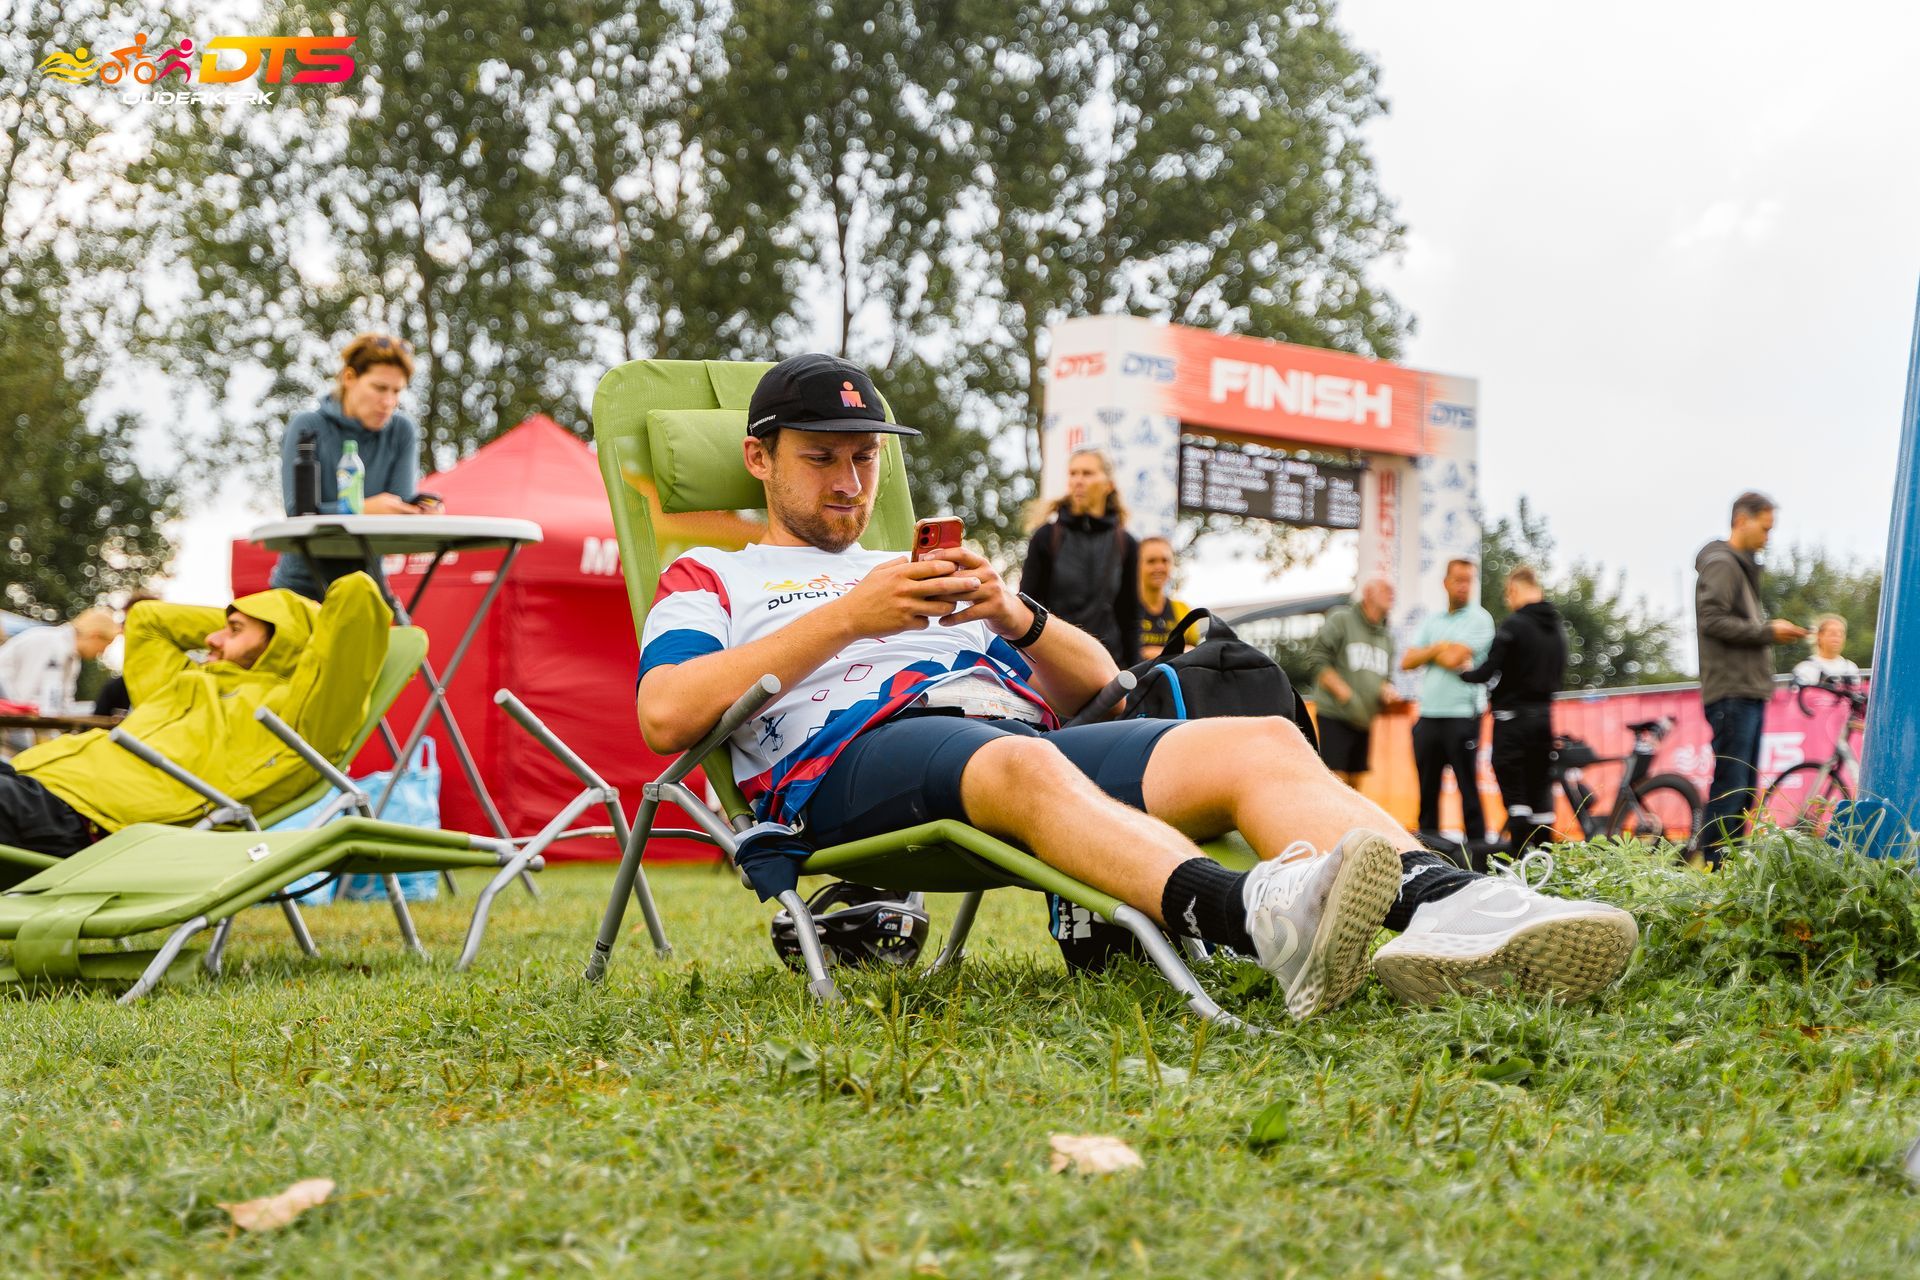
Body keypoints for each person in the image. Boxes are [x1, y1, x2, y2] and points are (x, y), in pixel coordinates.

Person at [636, 353, 1638, 1018]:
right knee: (1018, 759)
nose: (851, 484)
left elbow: (1105, 685)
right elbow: (666, 712)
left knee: (1261, 741)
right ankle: (1255, 916)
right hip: (849, 770)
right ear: (758, 459)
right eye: (821, 459)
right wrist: (854, 616)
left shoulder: (917, 568)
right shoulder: (712, 577)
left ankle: (1456, 907)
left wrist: (1009, 611)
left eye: (864, 460)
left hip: (1009, 744)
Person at [0, 573, 391, 867]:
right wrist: (244, 620)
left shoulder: (298, 714)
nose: (211, 639)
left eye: (233, 631)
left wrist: (284, 625)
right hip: (32, 780)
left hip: (84, 819)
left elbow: (357, 595)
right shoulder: (186, 683)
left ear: (282, 641)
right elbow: (147, 619)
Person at [269, 333, 441, 602]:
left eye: (396, 391)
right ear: (349, 377)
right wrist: (362, 509)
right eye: (379, 388)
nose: (389, 402)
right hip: (301, 587)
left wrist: (419, 508)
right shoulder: (307, 427)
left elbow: (398, 507)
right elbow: (298, 512)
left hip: (366, 586)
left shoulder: (401, 431)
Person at [1695, 492, 1806, 862]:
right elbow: (1712, 620)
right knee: (1731, 786)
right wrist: (1767, 631)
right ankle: (1717, 868)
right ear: (1742, 520)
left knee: (1742, 790)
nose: (1768, 537)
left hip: (1745, 692)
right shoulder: (1722, 564)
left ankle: (1731, 868)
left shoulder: (1738, 567)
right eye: (1765, 528)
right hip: (1731, 692)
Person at [1456, 566, 1568, 856]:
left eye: (1508, 595)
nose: (1508, 602)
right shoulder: (1557, 629)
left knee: (1516, 795)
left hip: (1512, 722)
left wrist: (1464, 671)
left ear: (1514, 590)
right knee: (1540, 794)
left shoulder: (1514, 625)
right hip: (1544, 720)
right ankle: (1546, 863)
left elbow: (1488, 671)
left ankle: (1520, 862)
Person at [1401, 558, 1495, 853]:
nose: (1464, 586)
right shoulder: (1433, 620)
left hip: (1462, 715)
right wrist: (1441, 646)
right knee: (1427, 791)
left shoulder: (1480, 619)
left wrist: (1431, 651)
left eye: (1469, 580)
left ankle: (1478, 855)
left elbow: (1454, 659)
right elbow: (1407, 660)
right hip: (1428, 716)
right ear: (1446, 582)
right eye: (1459, 580)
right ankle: (1429, 855)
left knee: (1468, 789)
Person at [1020, 449, 1140, 667]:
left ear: (1108, 485)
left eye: (1087, 473)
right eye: (1073, 473)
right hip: (1055, 663)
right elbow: (1027, 607)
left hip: (1110, 665)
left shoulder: (1126, 543)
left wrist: (1135, 674)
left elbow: (1129, 617)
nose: (1078, 480)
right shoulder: (1046, 537)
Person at [1305, 578, 1402, 787]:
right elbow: (1317, 658)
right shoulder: (1342, 619)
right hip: (1335, 714)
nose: (1391, 592)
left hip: (1364, 719)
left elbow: (1385, 678)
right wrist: (1345, 694)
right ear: (1368, 593)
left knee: (1356, 783)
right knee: (1336, 781)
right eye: (1385, 589)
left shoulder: (1387, 637)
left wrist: (1387, 690)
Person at [0, 608, 120, 753]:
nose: (103, 652)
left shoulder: (72, 658)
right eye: (106, 644)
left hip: (21, 729)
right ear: (95, 635)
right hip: (9, 731)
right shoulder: (47, 642)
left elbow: (62, 707)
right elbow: (22, 700)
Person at [1136, 536, 1203, 660]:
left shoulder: (1183, 610)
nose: (1159, 567)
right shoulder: (1124, 609)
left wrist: (1150, 653)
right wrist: (1175, 652)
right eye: (1151, 561)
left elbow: (1194, 653)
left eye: (1165, 560)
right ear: (1136, 565)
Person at [1792, 614, 1861, 687]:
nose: (1837, 638)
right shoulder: (1805, 669)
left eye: (1841, 634)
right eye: (1832, 634)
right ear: (1819, 636)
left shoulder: (1851, 668)